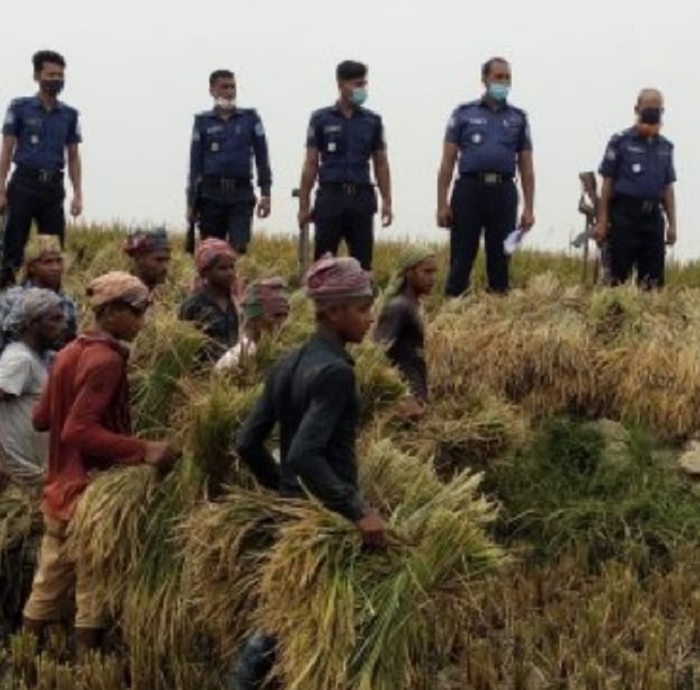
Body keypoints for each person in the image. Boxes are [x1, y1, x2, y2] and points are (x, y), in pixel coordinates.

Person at [230, 255, 387, 689]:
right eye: (361, 308)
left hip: (293, 514)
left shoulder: (286, 363)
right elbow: (303, 454)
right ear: (333, 312)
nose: (369, 318)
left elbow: (247, 443)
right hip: (323, 520)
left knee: (288, 617)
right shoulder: (335, 372)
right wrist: (357, 511)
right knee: (300, 623)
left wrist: (284, 491)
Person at [22, 271, 179, 658]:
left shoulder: (69, 353)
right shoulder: (106, 361)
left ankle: (23, 660)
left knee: (47, 585)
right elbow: (77, 430)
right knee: (94, 588)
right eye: (137, 312)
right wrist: (144, 449)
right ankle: (87, 669)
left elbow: (42, 419)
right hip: (89, 495)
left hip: (57, 493)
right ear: (110, 312)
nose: (142, 321)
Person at [437, 57, 536, 297]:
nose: (503, 82)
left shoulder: (518, 118)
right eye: (498, 77)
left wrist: (529, 208)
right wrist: (442, 203)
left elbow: (526, 166)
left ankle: (497, 311)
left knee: (501, 256)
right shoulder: (463, 113)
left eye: (507, 77)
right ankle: (453, 309)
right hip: (469, 190)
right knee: (462, 254)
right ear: (485, 79)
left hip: (503, 192)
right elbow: (448, 162)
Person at [0, 49, 83, 289]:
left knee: (52, 251)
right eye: (51, 74)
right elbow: (6, 150)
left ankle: (49, 300)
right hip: (24, 183)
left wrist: (78, 194)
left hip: (53, 187)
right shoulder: (20, 107)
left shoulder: (70, 115)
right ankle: (7, 297)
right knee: (13, 246)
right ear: (37, 76)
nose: (56, 79)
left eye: (60, 75)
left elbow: (73, 156)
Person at [296, 60, 393, 271]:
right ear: (341, 84)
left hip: (361, 197)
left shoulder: (373, 121)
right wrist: (304, 203)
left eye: (364, 84)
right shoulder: (320, 119)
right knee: (323, 263)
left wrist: (387, 201)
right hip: (331, 196)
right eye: (357, 84)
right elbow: (311, 163)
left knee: (362, 264)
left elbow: (381, 163)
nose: (362, 89)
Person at [0, 288, 65, 490]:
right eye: (54, 320)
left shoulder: (37, 358)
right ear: (32, 323)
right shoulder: (21, 360)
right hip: (18, 476)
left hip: (32, 473)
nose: (62, 326)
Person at [593, 89, 679, 289]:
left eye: (657, 109)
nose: (652, 112)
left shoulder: (666, 147)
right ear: (637, 109)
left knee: (653, 281)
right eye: (648, 108)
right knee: (618, 278)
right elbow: (607, 183)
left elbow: (668, 188)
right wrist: (603, 220)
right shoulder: (620, 141)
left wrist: (672, 224)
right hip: (624, 216)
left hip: (653, 218)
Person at [0, 235, 78, 390]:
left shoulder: (67, 303)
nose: (55, 267)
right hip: (12, 388)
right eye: (47, 262)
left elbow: (70, 349)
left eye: (58, 261)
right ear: (31, 267)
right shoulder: (11, 300)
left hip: (49, 387)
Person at [187, 70, 272, 255]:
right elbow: (195, 164)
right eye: (224, 87)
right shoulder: (202, 122)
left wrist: (266, 193)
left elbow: (262, 157)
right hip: (210, 194)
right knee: (211, 252)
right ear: (212, 90)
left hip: (241, 193)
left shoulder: (250, 119)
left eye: (232, 86)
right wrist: (191, 202)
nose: (229, 91)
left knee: (238, 248)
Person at [373, 248, 437, 419]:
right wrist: (402, 395)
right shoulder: (399, 307)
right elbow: (377, 354)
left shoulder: (414, 304)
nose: (433, 278)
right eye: (427, 272)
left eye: (434, 272)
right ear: (409, 273)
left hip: (416, 395)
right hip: (406, 401)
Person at [179, 238, 241, 363]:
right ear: (205, 272)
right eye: (222, 268)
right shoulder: (193, 305)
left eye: (232, 267)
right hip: (204, 373)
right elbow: (183, 345)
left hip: (234, 370)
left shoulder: (237, 302)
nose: (230, 272)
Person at [215, 277, 290, 373]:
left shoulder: (285, 354)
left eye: (285, 316)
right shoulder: (236, 359)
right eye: (277, 316)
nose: (283, 323)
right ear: (254, 320)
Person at [123, 227, 173, 293]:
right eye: (159, 260)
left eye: (167, 260)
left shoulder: (164, 295)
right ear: (139, 258)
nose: (165, 267)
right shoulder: (122, 292)